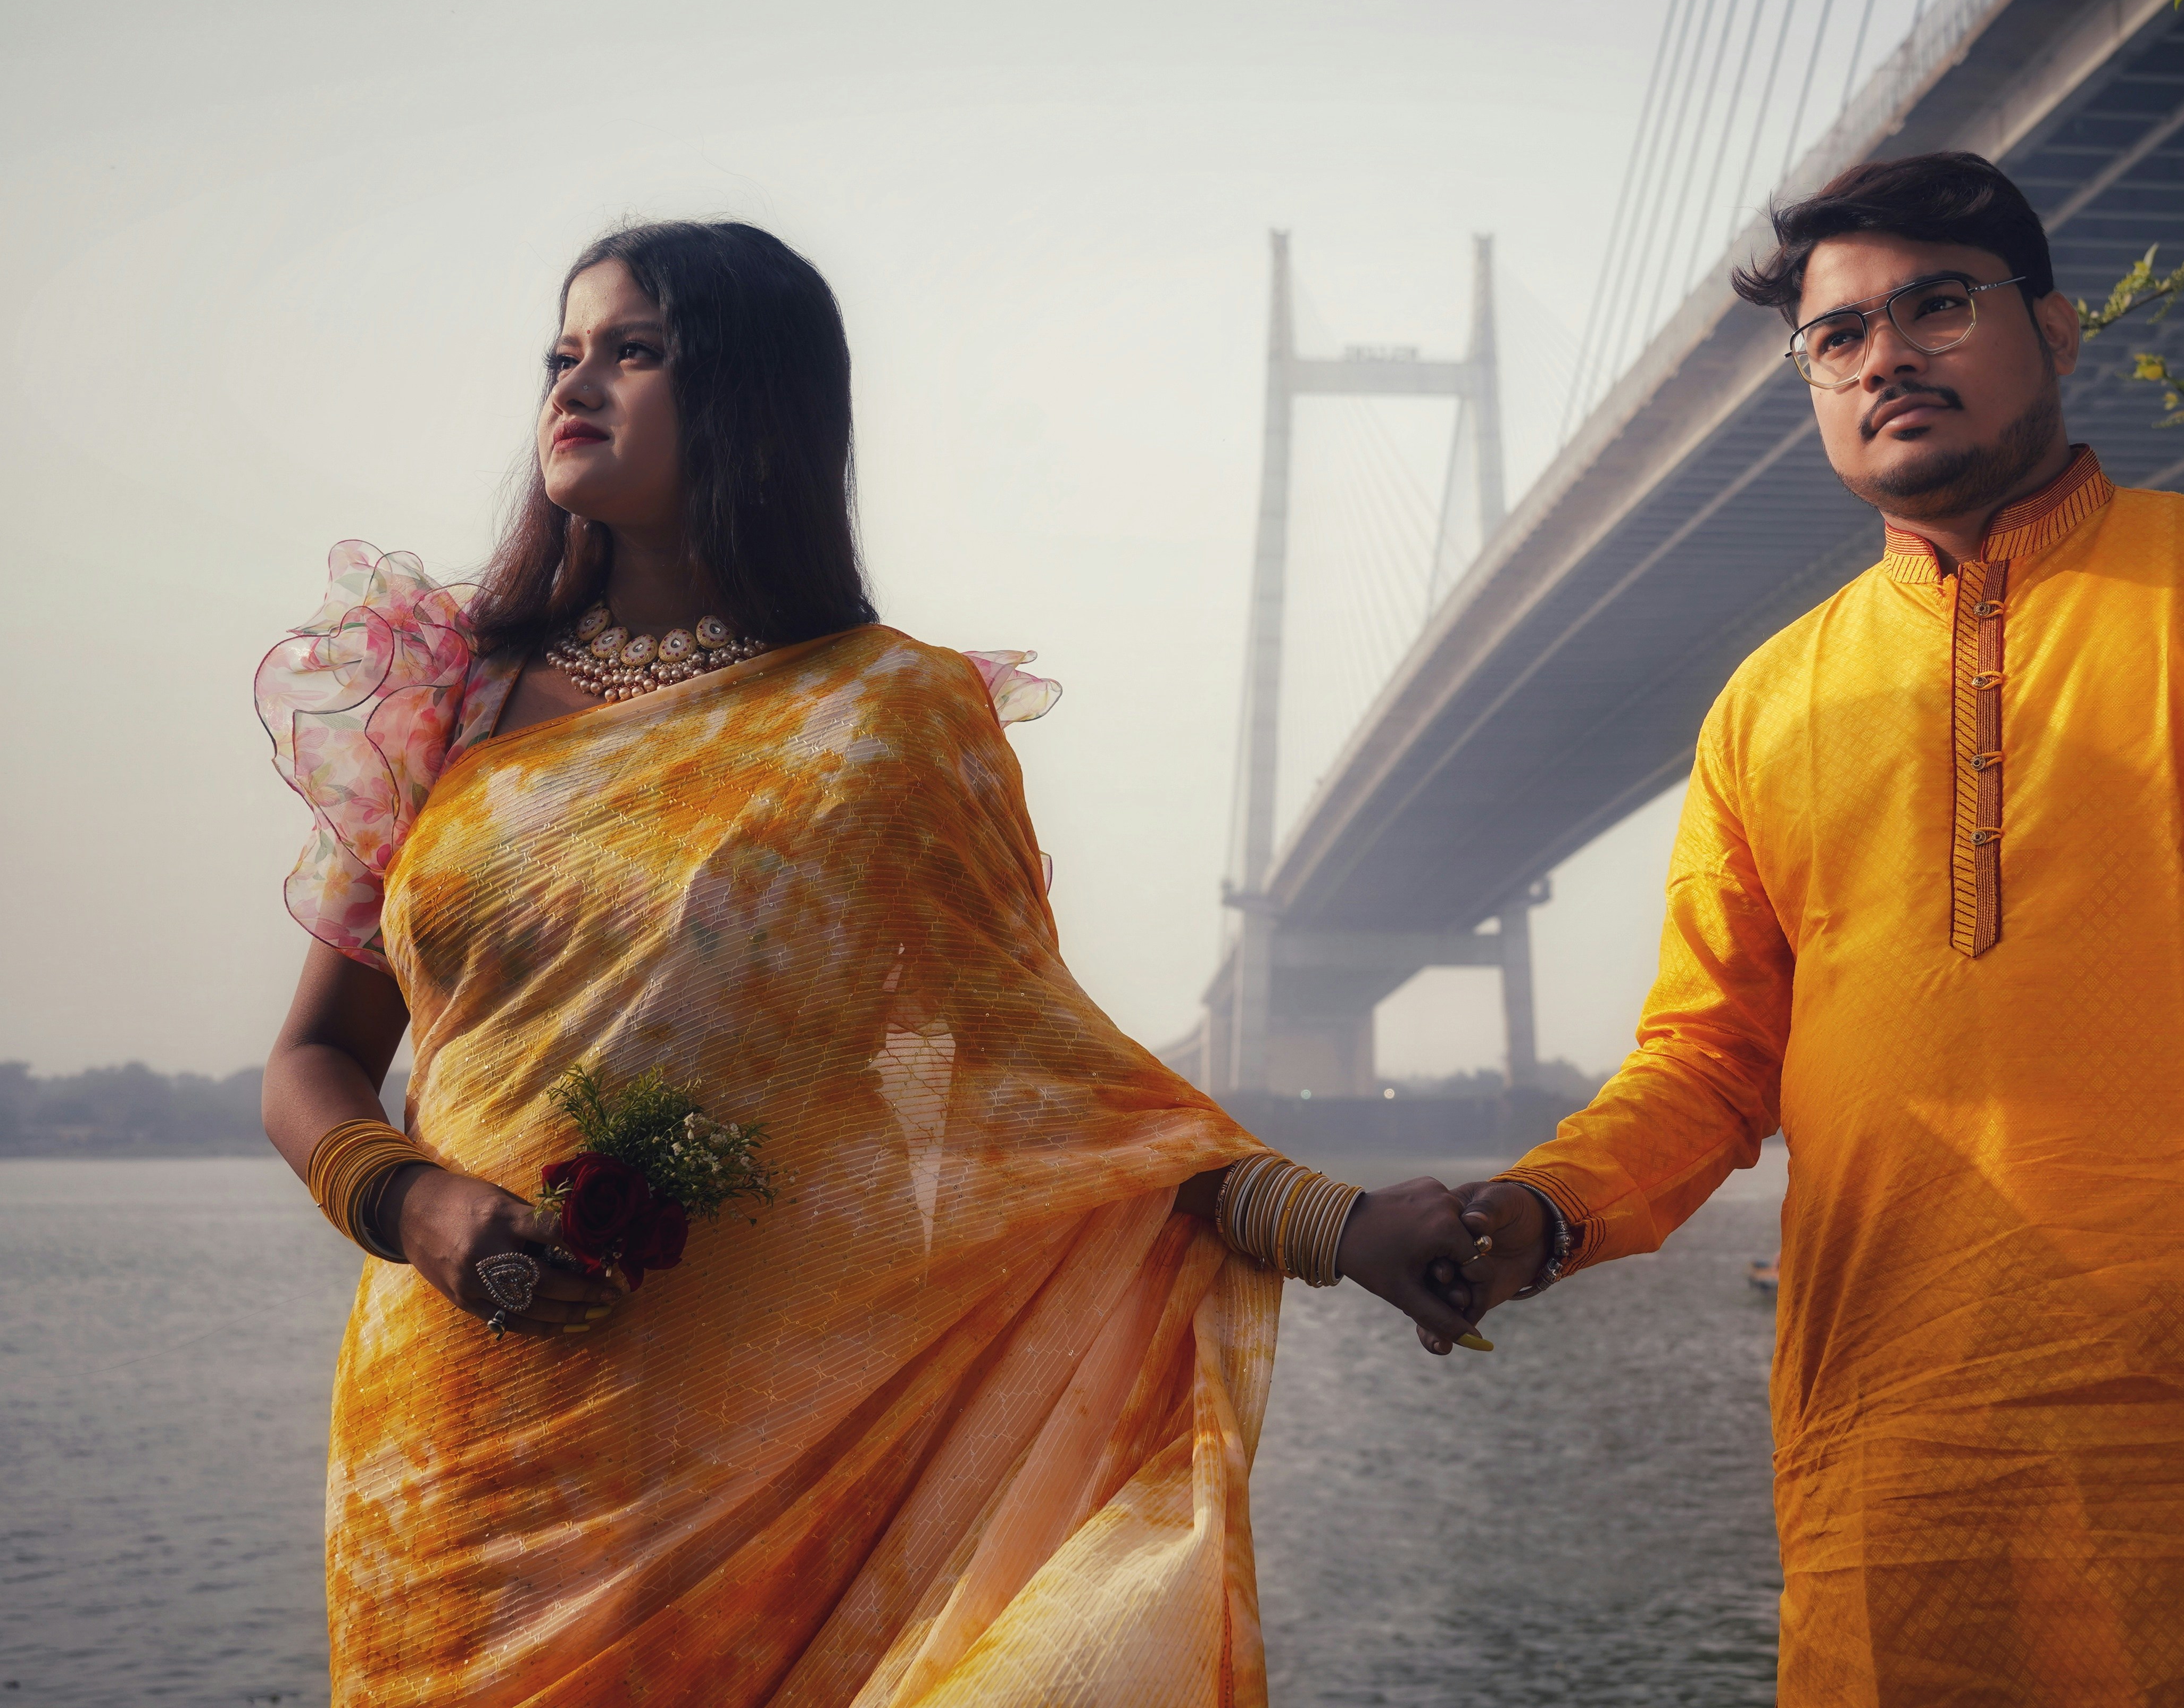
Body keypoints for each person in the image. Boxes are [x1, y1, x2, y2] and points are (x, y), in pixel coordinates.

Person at [256, 221, 1484, 1706]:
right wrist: (419, 1206)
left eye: (637, 350)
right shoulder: (443, 696)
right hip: (461, 1441)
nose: (578, 386)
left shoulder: (888, 723)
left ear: (760, 399)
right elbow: (313, 1061)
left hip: (770, 1432)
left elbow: (1035, 1087)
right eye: (562, 354)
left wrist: (1336, 1226)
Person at [1436, 154, 2184, 1704]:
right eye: (1836, 338)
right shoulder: (1768, 706)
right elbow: (1712, 1065)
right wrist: (1532, 1213)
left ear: (2055, 333)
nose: (1886, 357)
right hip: (1892, 1454)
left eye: (1937, 305)